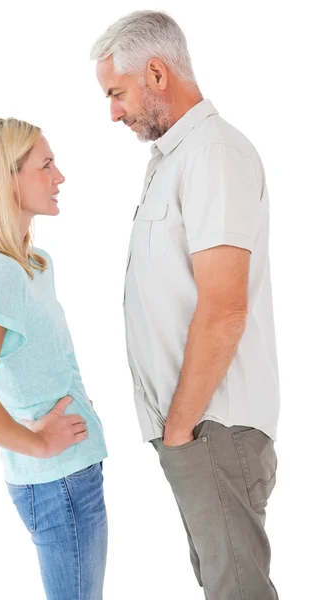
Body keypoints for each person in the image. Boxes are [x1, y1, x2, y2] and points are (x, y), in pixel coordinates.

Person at [91, 10, 279, 600]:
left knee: (235, 589)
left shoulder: (212, 154)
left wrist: (180, 429)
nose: (113, 112)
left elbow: (224, 309)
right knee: (222, 584)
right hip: (197, 428)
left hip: (210, 426)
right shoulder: (175, 159)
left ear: (155, 72)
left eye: (117, 93)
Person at [0, 118, 108, 600]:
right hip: (58, 484)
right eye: (46, 165)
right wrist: (35, 444)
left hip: (72, 474)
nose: (60, 177)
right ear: (6, 179)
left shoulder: (31, 265)